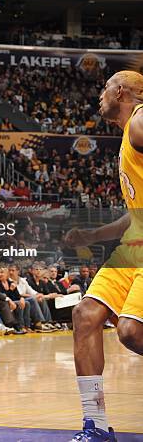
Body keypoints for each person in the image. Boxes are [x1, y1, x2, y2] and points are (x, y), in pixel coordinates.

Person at [65, 71, 143, 442]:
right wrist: (93, 235)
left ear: (122, 91)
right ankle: (94, 424)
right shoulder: (129, 133)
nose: (101, 96)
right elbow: (135, 215)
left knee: (131, 332)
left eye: (105, 89)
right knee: (86, 315)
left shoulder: (141, 119)